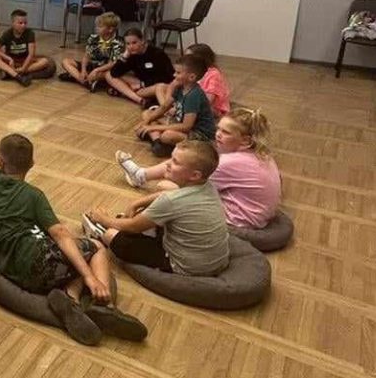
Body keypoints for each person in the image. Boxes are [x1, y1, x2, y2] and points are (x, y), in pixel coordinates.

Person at [0, 134, 147, 345]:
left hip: (13, 268)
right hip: (41, 266)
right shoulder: (34, 195)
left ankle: (70, 298)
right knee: (95, 248)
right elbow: (60, 234)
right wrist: (90, 277)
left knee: (67, 255)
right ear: (32, 163)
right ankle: (103, 305)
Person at [116, 107, 281, 229]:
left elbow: (191, 189)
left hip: (238, 221)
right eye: (218, 129)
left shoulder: (229, 163)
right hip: (258, 216)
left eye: (226, 132)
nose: (218, 134)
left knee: (164, 186)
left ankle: (141, 178)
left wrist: (140, 203)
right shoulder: (262, 154)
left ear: (246, 141)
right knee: (187, 163)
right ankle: (141, 175)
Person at [83, 140, 230, 277]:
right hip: (215, 260)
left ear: (195, 175)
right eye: (171, 158)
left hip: (186, 266)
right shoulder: (208, 186)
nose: (167, 164)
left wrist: (103, 219)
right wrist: (137, 203)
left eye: (175, 162)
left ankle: (100, 232)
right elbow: (169, 194)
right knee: (148, 209)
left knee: (112, 235)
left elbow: (134, 227)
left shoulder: (171, 201)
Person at [135, 53, 217, 157]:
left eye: (178, 73)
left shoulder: (193, 95)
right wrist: (145, 122)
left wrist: (152, 128)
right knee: (147, 114)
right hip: (181, 123)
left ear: (191, 77)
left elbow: (186, 126)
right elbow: (164, 107)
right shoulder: (180, 87)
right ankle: (158, 143)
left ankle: (159, 140)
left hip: (200, 135)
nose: (174, 75)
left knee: (168, 135)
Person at [104, 27, 175, 106]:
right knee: (108, 74)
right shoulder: (132, 55)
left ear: (142, 41)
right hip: (140, 83)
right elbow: (114, 73)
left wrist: (142, 84)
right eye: (128, 44)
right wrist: (124, 56)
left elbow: (167, 77)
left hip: (157, 85)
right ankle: (139, 100)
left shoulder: (157, 54)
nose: (131, 46)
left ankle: (125, 92)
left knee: (154, 88)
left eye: (134, 43)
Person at [59, 12, 124, 91]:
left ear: (110, 29)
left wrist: (96, 70)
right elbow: (86, 56)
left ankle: (76, 76)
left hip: (104, 69)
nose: (96, 28)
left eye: (100, 26)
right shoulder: (93, 38)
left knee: (109, 74)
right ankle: (84, 81)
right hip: (92, 65)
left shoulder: (118, 42)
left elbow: (112, 64)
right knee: (66, 61)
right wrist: (83, 70)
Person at [0, 9, 52, 87]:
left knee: (45, 61)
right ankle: (18, 77)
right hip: (11, 63)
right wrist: (9, 59)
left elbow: (31, 54)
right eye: (20, 23)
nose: (23, 25)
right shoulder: (7, 34)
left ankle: (12, 73)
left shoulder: (30, 33)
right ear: (13, 23)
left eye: (25, 23)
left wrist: (23, 68)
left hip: (24, 61)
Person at [184, 43, 230, 118]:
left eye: (189, 58)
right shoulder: (193, 70)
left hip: (212, 108)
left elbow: (208, 101)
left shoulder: (214, 75)